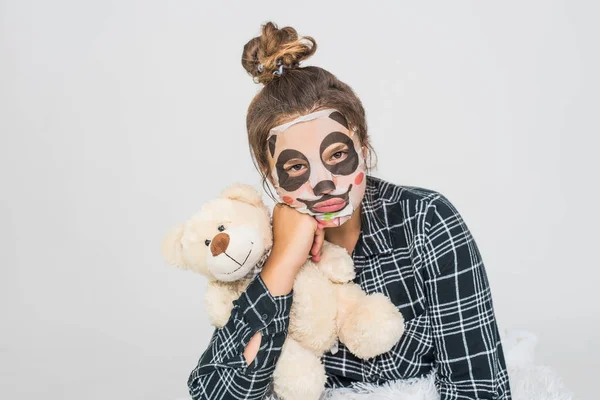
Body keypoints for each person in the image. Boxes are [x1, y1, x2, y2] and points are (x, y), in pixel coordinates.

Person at [187, 21, 511, 400]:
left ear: (363, 145)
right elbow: (215, 394)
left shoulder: (426, 222)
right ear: (270, 177)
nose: (323, 182)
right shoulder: (251, 246)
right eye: (295, 167)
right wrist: (281, 265)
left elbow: (479, 388)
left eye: (337, 155)